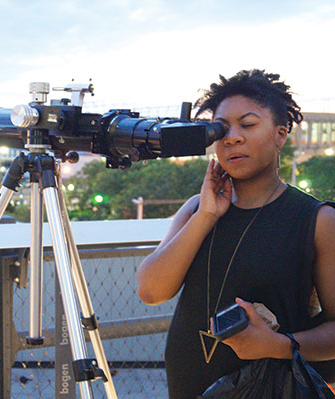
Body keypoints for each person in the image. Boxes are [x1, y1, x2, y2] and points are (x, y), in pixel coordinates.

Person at [135, 69, 335, 399]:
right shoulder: (197, 209)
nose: (232, 138)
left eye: (248, 124)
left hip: (271, 388)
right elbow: (151, 291)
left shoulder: (317, 219)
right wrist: (207, 215)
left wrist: (280, 345)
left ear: (280, 134)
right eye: (221, 128)